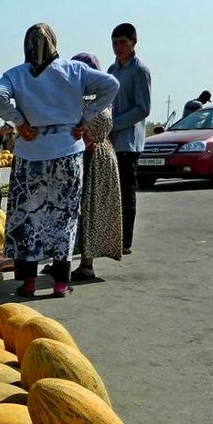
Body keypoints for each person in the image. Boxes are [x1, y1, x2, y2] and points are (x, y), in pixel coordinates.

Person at [0, 23, 119, 298]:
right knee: (64, 217)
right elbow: (111, 85)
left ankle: (29, 283)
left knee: (28, 219)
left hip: (30, 154)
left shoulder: (17, 74)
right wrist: (86, 117)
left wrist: (19, 121)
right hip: (67, 152)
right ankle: (60, 282)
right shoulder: (74, 70)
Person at [69, 52, 123, 282]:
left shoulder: (99, 98)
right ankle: (63, 259)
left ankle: (87, 264)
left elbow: (98, 129)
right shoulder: (78, 96)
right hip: (83, 154)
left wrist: (84, 139)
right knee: (71, 210)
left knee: (90, 209)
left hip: (95, 158)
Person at [107, 22, 152, 255]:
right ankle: (110, 236)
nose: (118, 47)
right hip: (110, 141)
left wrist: (115, 124)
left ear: (134, 42)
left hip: (128, 142)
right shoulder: (111, 71)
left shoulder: (139, 71)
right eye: (114, 43)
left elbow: (143, 108)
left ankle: (126, 240)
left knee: (126, 191)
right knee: (111, 193)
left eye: (123, 42)